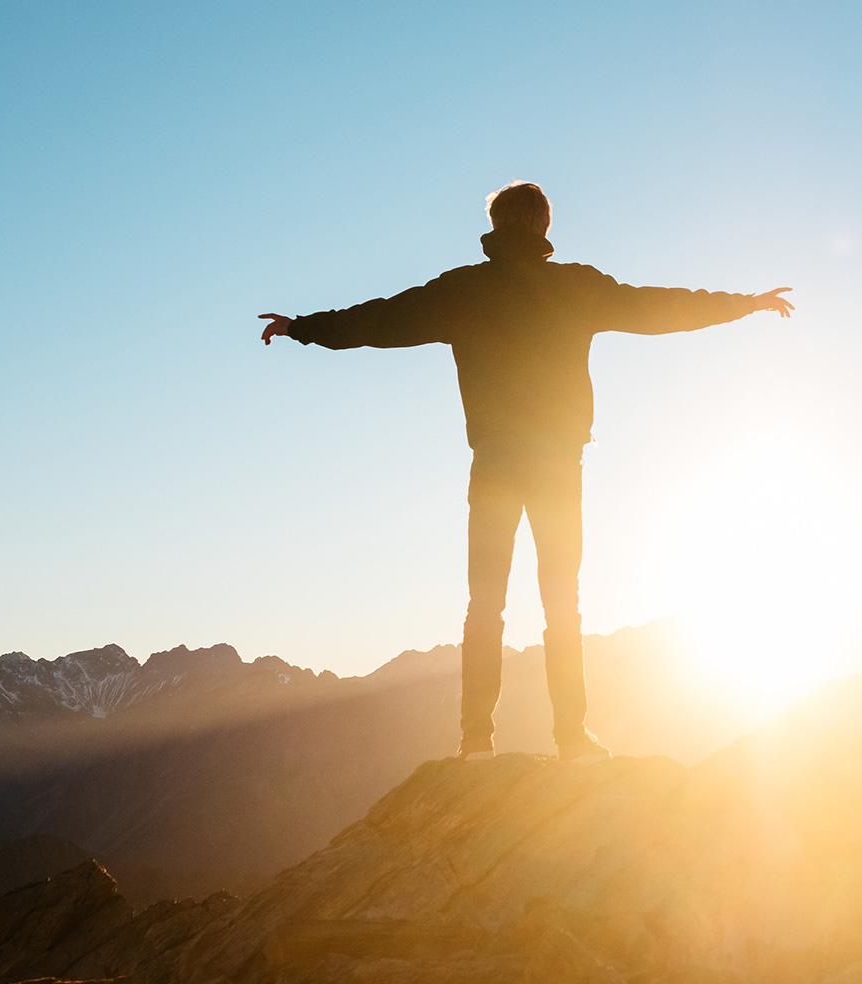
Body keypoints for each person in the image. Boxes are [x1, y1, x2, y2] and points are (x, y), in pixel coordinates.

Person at [260, 182, 792, 761]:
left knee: (485, 602)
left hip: (494, 461)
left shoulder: (464, 290)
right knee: (563, 598)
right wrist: (746, 302)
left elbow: (380, 320)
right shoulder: (575, 287)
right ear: (543, 226)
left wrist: (302, 327)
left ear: (495, 224)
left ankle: (475, 741)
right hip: (559, 462)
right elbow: (662, 307)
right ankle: (571, 738)